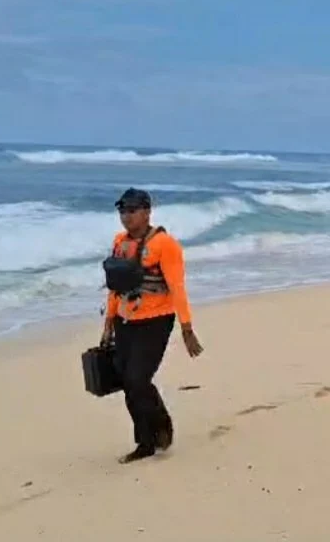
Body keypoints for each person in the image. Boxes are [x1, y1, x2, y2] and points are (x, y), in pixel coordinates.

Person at [100, 188, 204, 464]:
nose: (126, 217)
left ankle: (161, 426)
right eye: (122, 211)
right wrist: (109, 321)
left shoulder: (165, 244)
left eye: (132, 211)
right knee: (128, 381)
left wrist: (186, 328)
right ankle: (145, 442)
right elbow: (115, 289)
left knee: (137, 379)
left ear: (147, 212)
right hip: (125, 320)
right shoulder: (119, 242)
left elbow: (177, 287)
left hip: (156, 321)